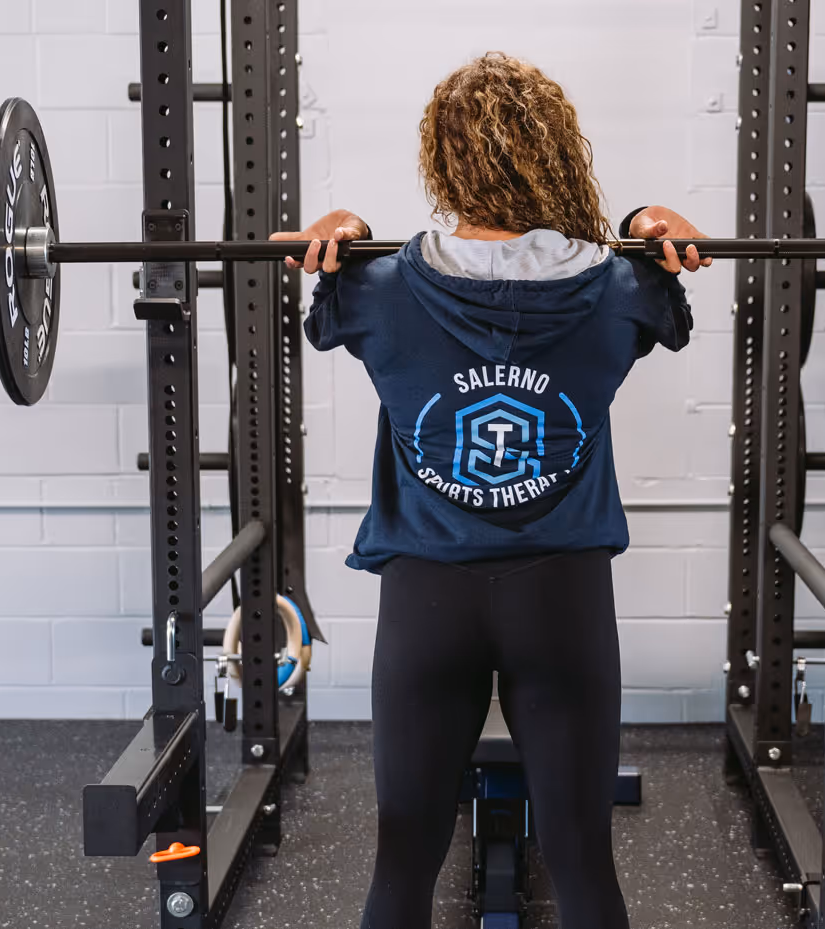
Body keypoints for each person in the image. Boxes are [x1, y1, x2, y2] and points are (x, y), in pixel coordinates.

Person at [270, 51, 711, 929]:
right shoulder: (621, 288)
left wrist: (349, 239)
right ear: (557, 155)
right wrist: (638, 223)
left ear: (442, 163)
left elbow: (333, 308)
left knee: (403, 862)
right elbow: (663, 303)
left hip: (427, 603)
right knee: (582, 859)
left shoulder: (376, 289)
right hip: (563, 599)